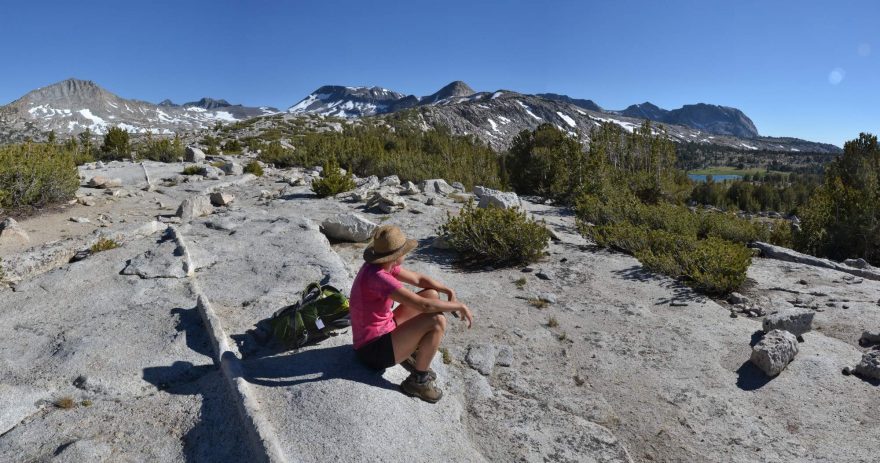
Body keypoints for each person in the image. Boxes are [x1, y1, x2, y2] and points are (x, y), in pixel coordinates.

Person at [349, 224, 473, 403]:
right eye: (404, 250)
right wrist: (458, 306)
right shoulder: (379, 277)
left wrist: (447, 290)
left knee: (431, 293)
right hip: (372, 351)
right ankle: (418, 381)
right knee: (437, 321)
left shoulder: (382, 265)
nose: (406, 253)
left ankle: (410, 352)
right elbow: (423, 306)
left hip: (383, 331)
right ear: (396, 255)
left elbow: (419, 280)